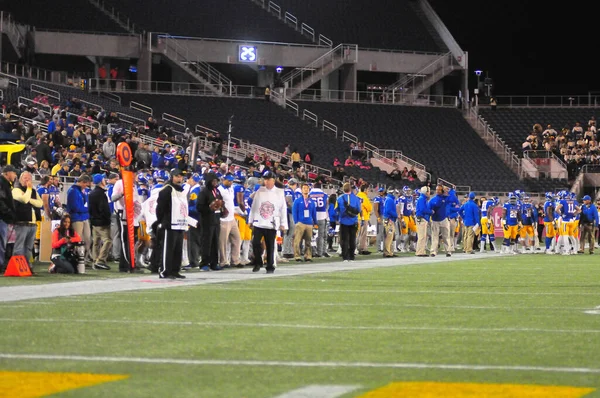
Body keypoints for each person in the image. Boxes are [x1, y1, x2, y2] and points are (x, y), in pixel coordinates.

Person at [248, 171, 288, 273]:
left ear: (273, 180)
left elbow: (283, 208)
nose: (266, 182)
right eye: (265, 179)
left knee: (270, 246)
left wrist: (283, 224)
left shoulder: (279, 192)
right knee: (255, 242)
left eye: (268, 179)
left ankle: (270, 266)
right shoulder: (260, 191)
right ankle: (258, 262)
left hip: (272, 222)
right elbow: (254, 206)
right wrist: (250, 220)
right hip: (259, 221)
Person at [155, 168, 188, 279]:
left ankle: (175, 270)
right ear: (172, 177)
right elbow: (160, 208)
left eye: (181, 176)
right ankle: (164, 270)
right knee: (168, 249)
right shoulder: (167, 190)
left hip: (179, 223)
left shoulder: (181, 190)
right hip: (169, 223)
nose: (179, 178)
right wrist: (162, 221)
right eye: (177, 176)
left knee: (177, 249)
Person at [12, 171, 43, 272]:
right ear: (20, 179)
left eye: (29, 178)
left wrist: (30, 199)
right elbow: (24, 199)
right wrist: (29, 190)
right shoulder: (16, 190)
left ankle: (26, 267)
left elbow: (40, 203)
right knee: (19, 246)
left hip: (32, 223)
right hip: (21, 222)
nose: (27, 180)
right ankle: (17, 267)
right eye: (25, 178)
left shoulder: (34, 191)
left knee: (29, 247)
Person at [197, 172, 225, 271]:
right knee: (206, 243)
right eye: (213, 181)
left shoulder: (217, 191)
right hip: (206, 221)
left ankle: (214, 263)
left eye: (216, 181)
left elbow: (221, 203)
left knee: (215, 243)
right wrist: (209, 208)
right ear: (209, 181)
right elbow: (199, 207)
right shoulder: (204, 192)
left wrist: (222, 209)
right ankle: (204, 263)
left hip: (216, 220)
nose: (215, 182)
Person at [66, 174, 92, 268]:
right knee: (78, 240)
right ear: (81, 182)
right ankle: (76, 259)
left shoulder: (81, 191)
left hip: (84, 218)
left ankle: (84, 259)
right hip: (77, 218)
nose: (86, 186)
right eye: (85, 184)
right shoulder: (73, 191)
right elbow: (74, 207)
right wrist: (87, 210)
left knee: (87, 239)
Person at [218, 173, 242, 268]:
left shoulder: (231, 188)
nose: (230, 182)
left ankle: (235, 260)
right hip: (223, 219)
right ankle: (223, 261)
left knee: (237, 239)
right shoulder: (219, 190)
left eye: (231, 180)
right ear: (223, 179)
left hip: (232, 218)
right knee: (222, 242)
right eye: (229, 180)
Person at [88, 174, 112, 270]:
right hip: (102, 222)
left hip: (94, 221)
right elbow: (104, 209)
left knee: (96, 242)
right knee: (108, 240)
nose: (105, 180)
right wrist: (107, 219)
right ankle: (100, 260)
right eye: (103, 179)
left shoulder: (92, 193)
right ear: (101, 181)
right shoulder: (101, 194)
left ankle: (95, 260)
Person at [336, 182, 361, 262]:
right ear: (351, 189)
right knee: (352, 239)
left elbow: (336, 210)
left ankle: (345, 257)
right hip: (354, 221)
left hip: (343, 221)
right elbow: (359, 210)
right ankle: (352, 256)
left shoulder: (339, 198)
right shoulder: (356, 198)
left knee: (344, 239)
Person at [292, 182, 317, 262]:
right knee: (297, 240)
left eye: (307, 188)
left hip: (309, 223)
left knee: (308, 241)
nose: (306, 189)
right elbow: (294, 212)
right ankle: (297, 256)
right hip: (300, 223)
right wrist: (296, 222)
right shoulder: (297, 201)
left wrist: (315, 222)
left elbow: (314, 212)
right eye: (304, 188)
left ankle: (308, 256)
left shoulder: (311, 201)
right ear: (301, 190)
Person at [0, 165, 17, 271]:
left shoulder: (5, 183)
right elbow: (1, 201)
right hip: (2, 217)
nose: (15, 175)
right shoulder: (2, 183)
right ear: (8, 173)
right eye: (14, 173)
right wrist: (9, 212)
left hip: (3, 217)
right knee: (1, 242)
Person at [309, 181, 329, 257]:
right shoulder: (324, 195)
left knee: (312, 235)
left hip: (311, 216)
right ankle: (320, 252)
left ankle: (313, 252)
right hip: (321, 216)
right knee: (321, 235)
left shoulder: (309, 194)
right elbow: (327, 206)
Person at [415, 186, 432, 257]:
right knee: (421, 236)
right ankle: (420, 252)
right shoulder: (422, 199)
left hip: (422, 219)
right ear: (426, 192)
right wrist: (431, 211)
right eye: (429, 191)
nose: (429, 193)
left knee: (423, 236)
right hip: (421, 219)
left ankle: (421, 251)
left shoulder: (423, 198)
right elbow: (423, 209)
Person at [382, 187, 398, 258]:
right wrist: (396, 215)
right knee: (389, 236)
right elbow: (388, 210)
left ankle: (390, 252)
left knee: (390, 237)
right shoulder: (390, 200)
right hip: (389, 220)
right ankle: (387, 252)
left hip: (389, 220)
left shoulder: (389, 199)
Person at [356, 184, 372, 255]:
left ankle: (357, 248)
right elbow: (369, 208)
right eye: (367, 189)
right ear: (365, 190)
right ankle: (362, 248)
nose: (368, 191)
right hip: (363, 217)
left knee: (357, 234)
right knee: (363, 234)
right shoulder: (364, 197)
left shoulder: (357, 195)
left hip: (356, 217)